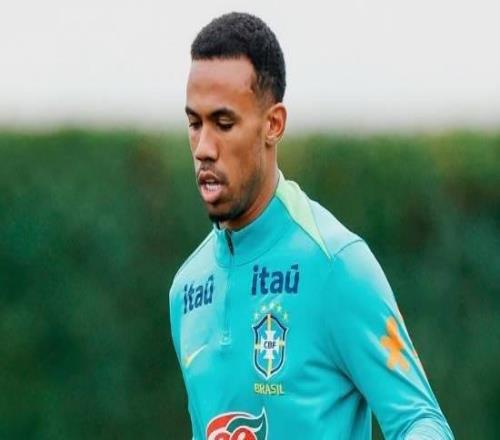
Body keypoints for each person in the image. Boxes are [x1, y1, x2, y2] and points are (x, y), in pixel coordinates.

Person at [169, 11, 453, 439]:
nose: (204, 148)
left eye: (224, 124)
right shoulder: (187, 288)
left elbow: (421, 421)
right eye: (195, 124)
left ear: (273, 125)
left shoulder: (334, 263)